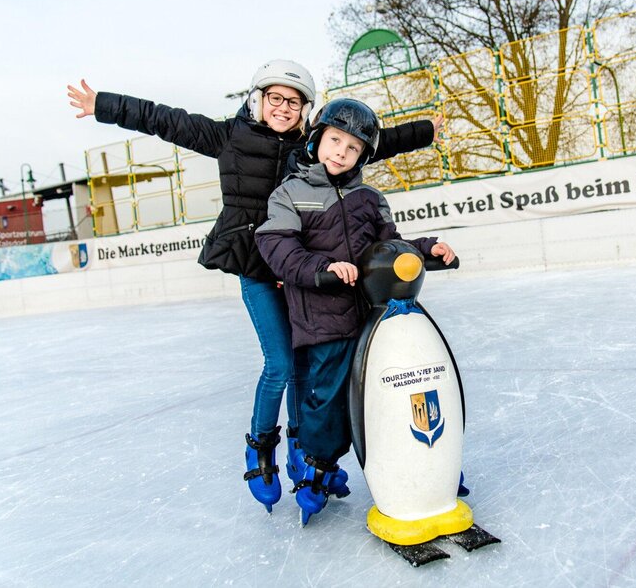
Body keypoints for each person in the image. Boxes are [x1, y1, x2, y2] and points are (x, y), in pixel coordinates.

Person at [67, 61, 442, 513]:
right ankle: (262, 445)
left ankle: (307, 454)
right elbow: (165, 120)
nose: (283, 108)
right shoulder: (230, 137)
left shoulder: (313, 148)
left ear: (307, 110)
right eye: (275, 98)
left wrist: (424, 131)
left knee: (308, 365)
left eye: (294, 101)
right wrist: (104, 105)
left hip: (306, 269)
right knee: (281, 364)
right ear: (258, 99)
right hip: (260, 268)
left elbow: (369, 143)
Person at [255, 98, 456, 524]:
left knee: (391, 392)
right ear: (316, 140)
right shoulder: (289, 194)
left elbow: (389, 246)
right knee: (327, 402)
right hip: (323, 320)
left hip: (371, 316)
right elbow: (279, 250)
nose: (340, 153)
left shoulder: (369, 197)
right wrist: (323, 269)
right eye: (334, 141)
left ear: (363, 156)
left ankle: (421, 463)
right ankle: (317, 467)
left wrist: (427, 250)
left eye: (351, 148)